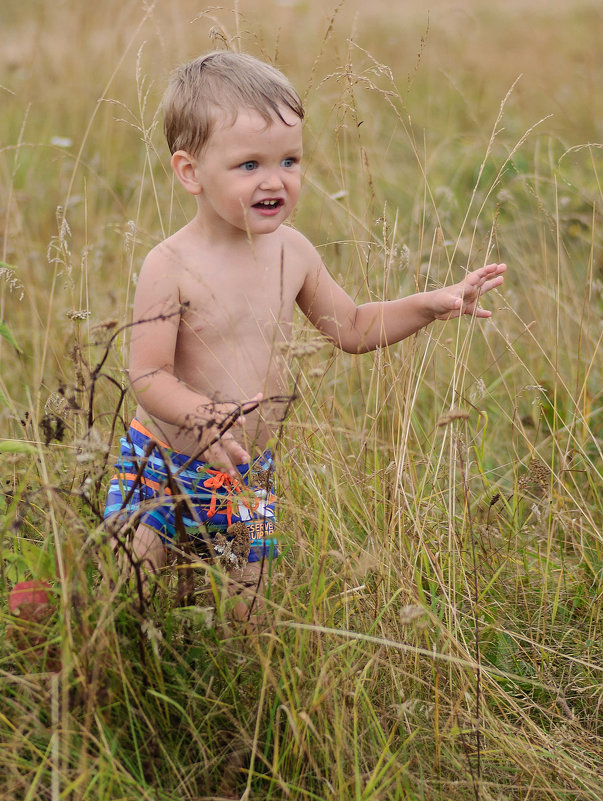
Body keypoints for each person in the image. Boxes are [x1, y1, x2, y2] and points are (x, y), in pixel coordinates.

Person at [104, 50, 506, 618]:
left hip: (244, 472)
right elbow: (147, 373)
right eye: (249, 165)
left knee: (250, 616)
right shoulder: (168, 265)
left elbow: (354, 327)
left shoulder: (293, 252)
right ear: (190, 172)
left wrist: (432, 304)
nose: (276, 180)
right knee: (132, 591)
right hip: (160, 464)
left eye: (289, 160)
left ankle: (241, 697)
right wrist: (199, 413)